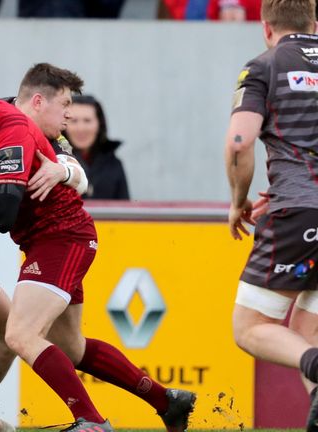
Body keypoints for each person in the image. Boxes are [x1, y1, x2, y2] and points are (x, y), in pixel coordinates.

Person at [0, 60, 194, 432]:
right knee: (70, 347)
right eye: (66, 107)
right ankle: (165, 400)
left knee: (17, 335)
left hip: (60, 239)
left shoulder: (12, 132)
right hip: (45, 240)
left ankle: (90, 421)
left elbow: (6, 214)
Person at [224, 0, 318, 429]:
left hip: (300, 212)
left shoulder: (264, 66)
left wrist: (237, 200)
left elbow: (240, 141)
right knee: (306, 326)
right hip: (299, 204)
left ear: (265, 27)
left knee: (249, 327)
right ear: (314, 24)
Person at [64, 95, 130, 200]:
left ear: (99, 124)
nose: (81, 128)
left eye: (87, 120)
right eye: (74, 121)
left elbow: (124, 211)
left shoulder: (114, 165)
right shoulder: (55, 161)